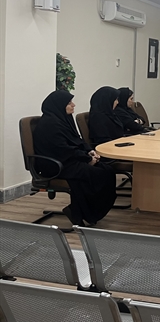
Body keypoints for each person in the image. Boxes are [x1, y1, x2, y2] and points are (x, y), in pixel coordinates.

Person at [33, 90, 117, 226]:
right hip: (56, 165)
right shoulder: (50, 124)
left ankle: (83, 210)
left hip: (68, 160)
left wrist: (89, 151)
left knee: (107, 170)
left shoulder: (63, 120)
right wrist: (86, 159)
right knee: (98, 174)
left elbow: (77, 140)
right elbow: (62, 149)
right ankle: (80, 211)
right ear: (60, 105)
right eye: (69, 103)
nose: (73, 105)